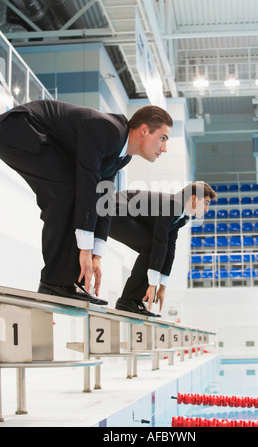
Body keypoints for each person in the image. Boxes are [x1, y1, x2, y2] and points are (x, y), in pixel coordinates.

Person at [0, 100, 173, 305]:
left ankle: (63, 281)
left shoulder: (122, 156)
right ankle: (55, 282)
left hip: (36, 135)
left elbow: (104, 200)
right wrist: (85, 250)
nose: (165, 148)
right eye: (162, 138)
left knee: (71, 192)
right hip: (20, 127)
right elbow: (87, 185)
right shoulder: (108, 130)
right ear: (144, 130)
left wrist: (96, 255)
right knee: (67, 191)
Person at [108, 181, 217, 316]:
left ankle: (132, 300)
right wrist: (152, 285)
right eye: (206, 203)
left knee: (156, 248)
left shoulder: (182, 217)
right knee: (153, 247)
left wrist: (162, 287)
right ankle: (128, 300)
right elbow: (159, 243)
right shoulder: (172, 205)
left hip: (123, 212)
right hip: (113, 209)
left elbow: (170, 250)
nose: (206, 209)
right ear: (194, 198)